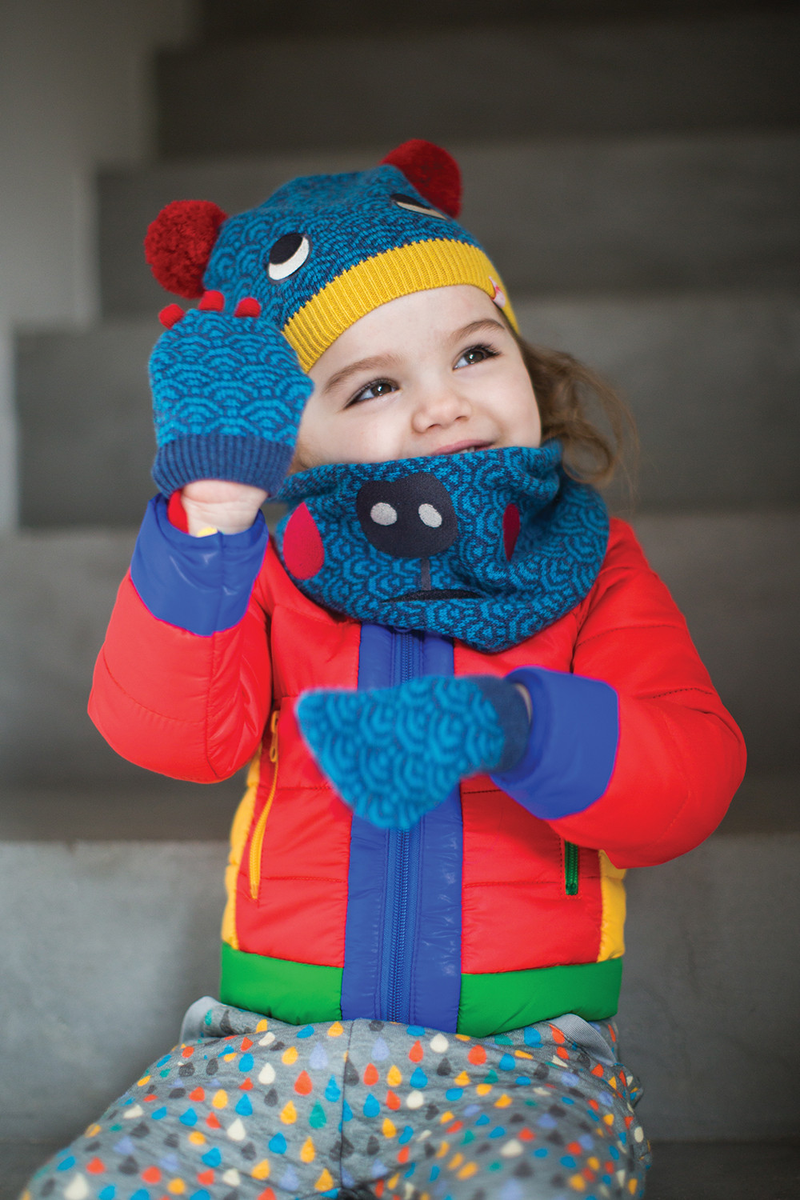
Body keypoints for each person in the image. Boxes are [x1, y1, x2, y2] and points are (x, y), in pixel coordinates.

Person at [23, 140, 745, 1200]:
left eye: (473, 353)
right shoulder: (265, 567)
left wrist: (522, 725)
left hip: (524, 1061)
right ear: (293, 443)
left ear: (521, 354)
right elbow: (172, 737)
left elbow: (683, 781)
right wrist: (210, 523)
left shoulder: (594, 566)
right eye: (371, 384)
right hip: (262, 1053)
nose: (443, 404)